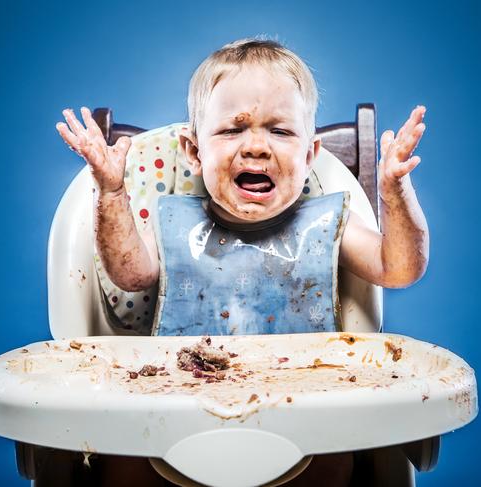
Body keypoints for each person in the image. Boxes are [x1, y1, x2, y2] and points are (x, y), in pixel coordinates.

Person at [55, 37, 428, 486]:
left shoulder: (331, 224)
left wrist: (393, 192)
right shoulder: (171, 221)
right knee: (122, 463)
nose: (256, 146)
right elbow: (129, 274)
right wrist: (113, 192)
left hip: (306, 420)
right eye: (233, 130)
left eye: (281, 130)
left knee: (334, 462)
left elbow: (400, 267)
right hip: (168, 415)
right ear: (193, 153)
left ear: (310, 155)